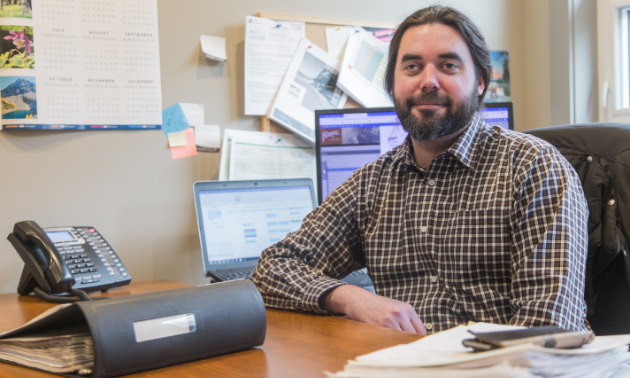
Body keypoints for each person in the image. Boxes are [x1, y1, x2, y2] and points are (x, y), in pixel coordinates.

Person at [250, 5, 589, 335]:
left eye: (448, 66)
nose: (429, 81)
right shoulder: (372, 184)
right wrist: (353, 299)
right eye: (412, 67)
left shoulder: (534, 168)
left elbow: (548, 329)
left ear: (481, 82)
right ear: (392, 85)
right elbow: (271, 270)